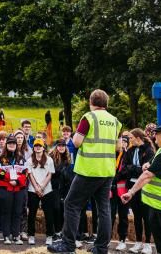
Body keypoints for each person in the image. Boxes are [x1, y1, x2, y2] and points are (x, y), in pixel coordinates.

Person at [48, 89, 122, 254]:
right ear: (106, 103)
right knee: (104, 209)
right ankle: (102, 247)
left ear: (91, 102)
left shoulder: (89, 117)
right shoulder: (116, 121)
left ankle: (68, 245)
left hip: (89, 169)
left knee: (71, 204)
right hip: (108, 171)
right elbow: (119, 147)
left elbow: (76, 142)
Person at [121, 125, 161, 254]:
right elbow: (153, 163)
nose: (154, 136)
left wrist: (131, 192)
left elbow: (147, 175)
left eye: (157, 134)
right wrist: (147, 164)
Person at [120, 128, 156, 254]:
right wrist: (136, 169)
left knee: (146, 215)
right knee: (136, 216)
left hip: (144, 186)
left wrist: (132, 168)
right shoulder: (130, 151)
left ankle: (148, 244)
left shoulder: (149, 151)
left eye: (131, 138)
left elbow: (147, 171)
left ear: (138, 138)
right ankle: (138, 242)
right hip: (132, 186)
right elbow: (124, 169)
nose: (129, 140)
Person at [0, 136, 27, 245]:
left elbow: (25, 172)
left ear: (16, 145)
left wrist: (17, 181)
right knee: (6, 213)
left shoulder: (22, 158)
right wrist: (10, 179)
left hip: (19, 189)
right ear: (6, 145)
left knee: (17, 213)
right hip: (5, 189)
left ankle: (16, 236)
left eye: (14, 143)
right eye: (9, 144)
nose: (12, 145)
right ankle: (6, 236)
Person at [27, 138, 55, 245]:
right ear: (33, 148)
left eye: (40, 146)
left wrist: (42, 187)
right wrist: (37, 188)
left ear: (43, 148)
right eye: (36, 146)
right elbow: (30, 175)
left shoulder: (49, 160)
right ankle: (31, 235)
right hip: (33, 189)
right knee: (32, 213)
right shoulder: (30, 160)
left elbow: (49, 175)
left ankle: (49, 235)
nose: (38, 148)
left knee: (49, 214)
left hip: (47, 190)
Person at [111, 135, 130, 251]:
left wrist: (114, 179)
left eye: (124, 142)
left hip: (123, 190)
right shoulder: (111, 154)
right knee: (109, 215)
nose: (122, 144)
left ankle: (122, 239)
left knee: (123, 216)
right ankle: (107, 238)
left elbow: (125, 170)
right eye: (120, 142)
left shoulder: (128, 155)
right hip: (111, 190)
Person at [50, 140, 70, 241]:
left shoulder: (68, 157)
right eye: (59, 146)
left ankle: (61, 231)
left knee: (63, 209)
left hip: (66, 187)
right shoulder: (51, 156)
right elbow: (52, 171)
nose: (61, 148)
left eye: (63, 146)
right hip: (55, 186)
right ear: (56, 147)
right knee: (56, 208)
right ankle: (57, 231)